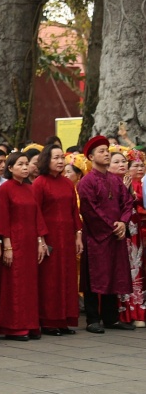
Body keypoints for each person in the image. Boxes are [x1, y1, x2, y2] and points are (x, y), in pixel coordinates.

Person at [79, 136, 136, 333]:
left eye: (107, 150)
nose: (106, 154)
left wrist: (123, 222)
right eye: (101, 151)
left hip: (115, 234)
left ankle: (111, 318)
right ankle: (93, 319)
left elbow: (127, 202)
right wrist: (112, 226)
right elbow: (89, 210)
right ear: (91, 156)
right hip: (97, 236)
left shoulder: (115, 180)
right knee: (94, 276)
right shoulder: (86, 182)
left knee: (114, 274)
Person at [0, 152, 49, 340]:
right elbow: (3, 218)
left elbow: (37, 217)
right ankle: (14, 327)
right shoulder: (5, 189)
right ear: (10, 168)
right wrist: (7, 246)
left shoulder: (30, 188)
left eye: (27, 164)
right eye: (21, 164)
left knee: (30, 285)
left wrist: (41, 241)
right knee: (15, 284)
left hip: (30, 242)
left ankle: (31, 324)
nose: (26, 167)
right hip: (15, 241)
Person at [32, 145, 83, 335]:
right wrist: (40, 239)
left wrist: (78, 234)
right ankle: (49, 321)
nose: (60, 161)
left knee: (67, 278)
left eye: (62, 158)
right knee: (50, 279)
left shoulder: (68, 183)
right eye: (56, 158)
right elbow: (35, 213)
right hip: (49, 237)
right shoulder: (39, 183)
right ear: (46, 160)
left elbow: (74, 211)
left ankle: (64, 320)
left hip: (67, 237)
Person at [119, 149, 145, 326]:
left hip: (140, 230)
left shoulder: (143, 184)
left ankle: (140, 308)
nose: (140, 168)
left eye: (142, 165)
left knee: (139, 265)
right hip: (127, 227)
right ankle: (127, 309)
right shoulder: (122, 184)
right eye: (135, 165)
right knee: (128, 266)